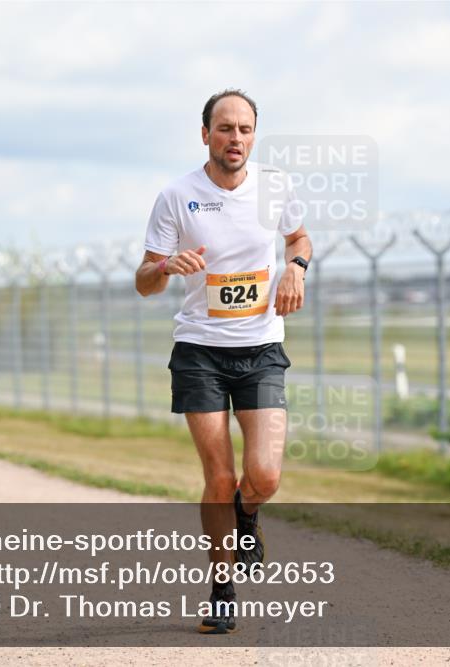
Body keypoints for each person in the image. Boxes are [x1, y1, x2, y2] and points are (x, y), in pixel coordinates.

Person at [135, 89, 311, 634]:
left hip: (260, 350)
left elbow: (299, 237)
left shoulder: (275, 187)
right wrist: (165, 264)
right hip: (199, 353)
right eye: (225, 128)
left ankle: (247, 514)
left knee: (265, 475)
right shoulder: (176, 196)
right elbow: (144, 282)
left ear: (254, 135)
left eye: (246, 129)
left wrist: (296, 267)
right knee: (220, 475)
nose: (236, 138)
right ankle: (222, 589)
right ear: (205, 133)